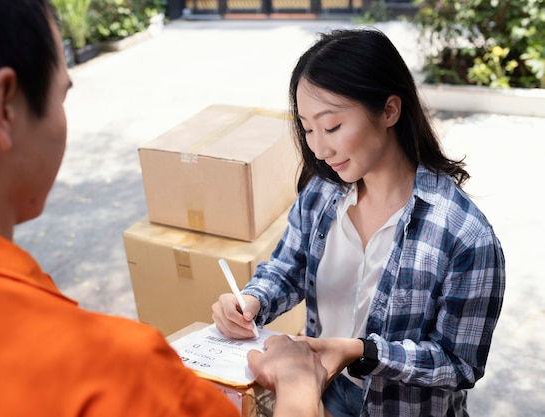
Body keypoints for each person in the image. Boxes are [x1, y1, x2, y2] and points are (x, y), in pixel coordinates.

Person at [0, 1, 327, 416]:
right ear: (3, 108)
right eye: (62, 96)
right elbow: (287, 268)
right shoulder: (116, 377)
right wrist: (297, 386)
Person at [212, 28, 505, 417]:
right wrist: (251, 301)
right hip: (328, 392)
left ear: (389, 111)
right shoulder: (321, 195)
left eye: (331, 126)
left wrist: (362, 352)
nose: (318, 147)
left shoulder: (464, 236)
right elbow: (288, 268)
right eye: (307, 127)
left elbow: (458, 363)